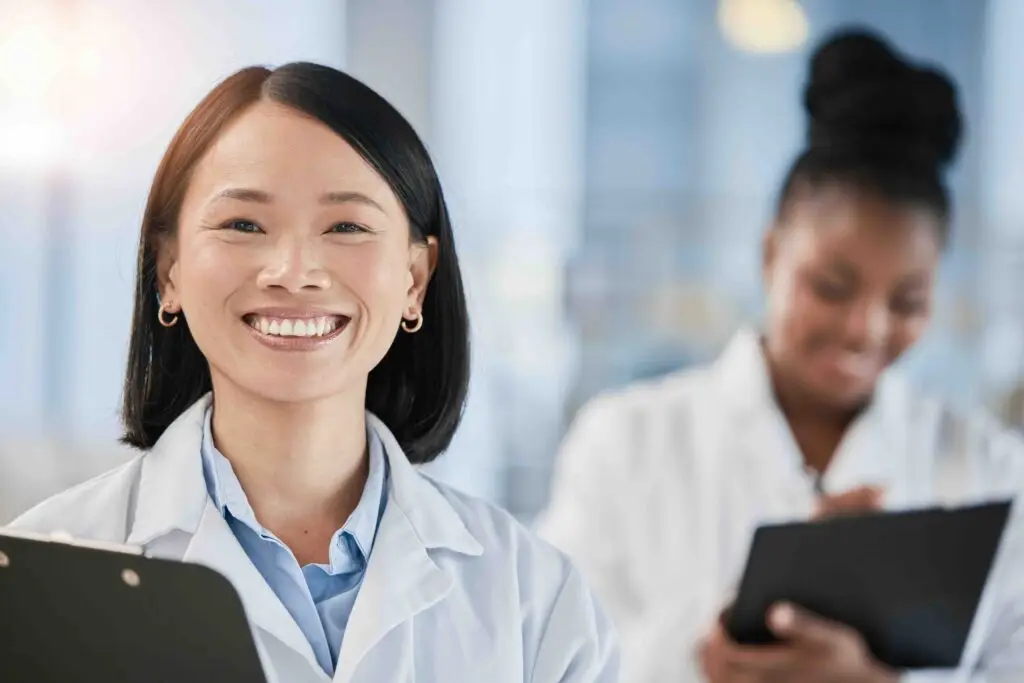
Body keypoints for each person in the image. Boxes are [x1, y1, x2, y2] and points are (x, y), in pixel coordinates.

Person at [8, 63, 618, 683]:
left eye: (346, 227)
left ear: (415, 279)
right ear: (169, 270)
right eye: (243, 225)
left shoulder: (534, 599)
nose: (294, 271)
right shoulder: (38, 575)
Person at [537, 29, 1024, 683]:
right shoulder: (625, 439)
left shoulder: (989, 465)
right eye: (832, 287)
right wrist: (719, 636)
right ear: (771, 253)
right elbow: (544, 658)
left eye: (907, 301)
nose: (865, 329)